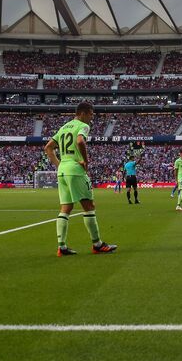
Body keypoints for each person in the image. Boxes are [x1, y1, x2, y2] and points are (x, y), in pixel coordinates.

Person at [44, 101, 117, 256]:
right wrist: (85, 160)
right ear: (83, 113)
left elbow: (48, 147)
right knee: (89, 206)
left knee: (66, 208)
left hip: (63, 170)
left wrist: (60, 164)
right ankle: (97, 244)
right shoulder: (83, 126)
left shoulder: (64, 127)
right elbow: (79, 141)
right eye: (91, 114)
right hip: (75, 170)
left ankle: (61, 247)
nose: (92, 117)